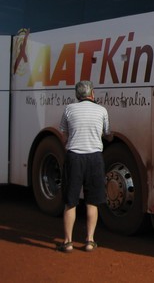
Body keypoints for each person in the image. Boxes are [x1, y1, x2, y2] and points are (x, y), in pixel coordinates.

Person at [57, 81, 112, 253]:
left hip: (74, 158)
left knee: (70, 202)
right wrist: (111, 137)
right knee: (92, 201)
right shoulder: (102, 110)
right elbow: (107, 134)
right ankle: (89, 241)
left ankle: (67, 242)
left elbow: (63, 135)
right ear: (92, 94)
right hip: (95, 158)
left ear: (77, 95)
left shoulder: (69, 109)